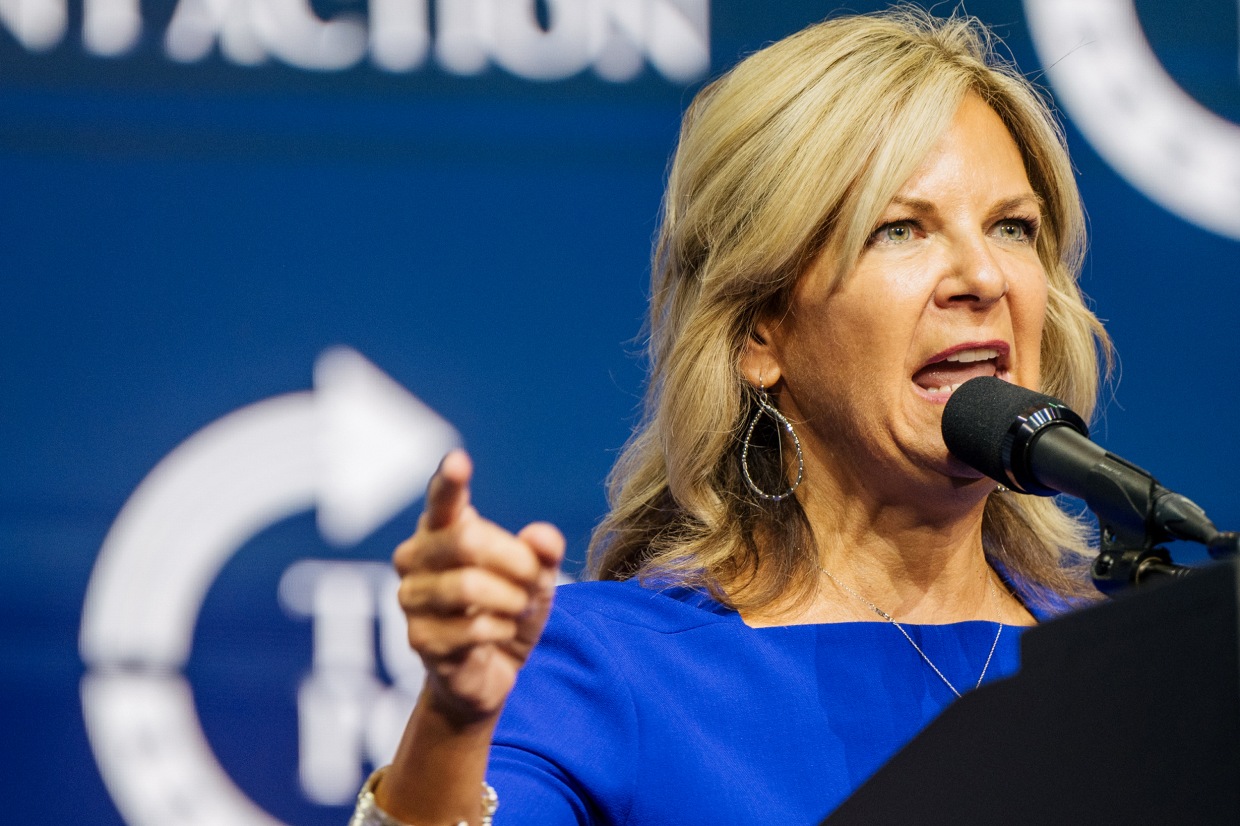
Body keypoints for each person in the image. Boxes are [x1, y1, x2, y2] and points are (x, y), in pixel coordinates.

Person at [351, 7, 1111, 825]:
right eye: (899, 229)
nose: (984, 277)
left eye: (1012, 227)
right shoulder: (611, 672)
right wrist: (454, 728)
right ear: (759, 331)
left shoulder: (1131, 669)